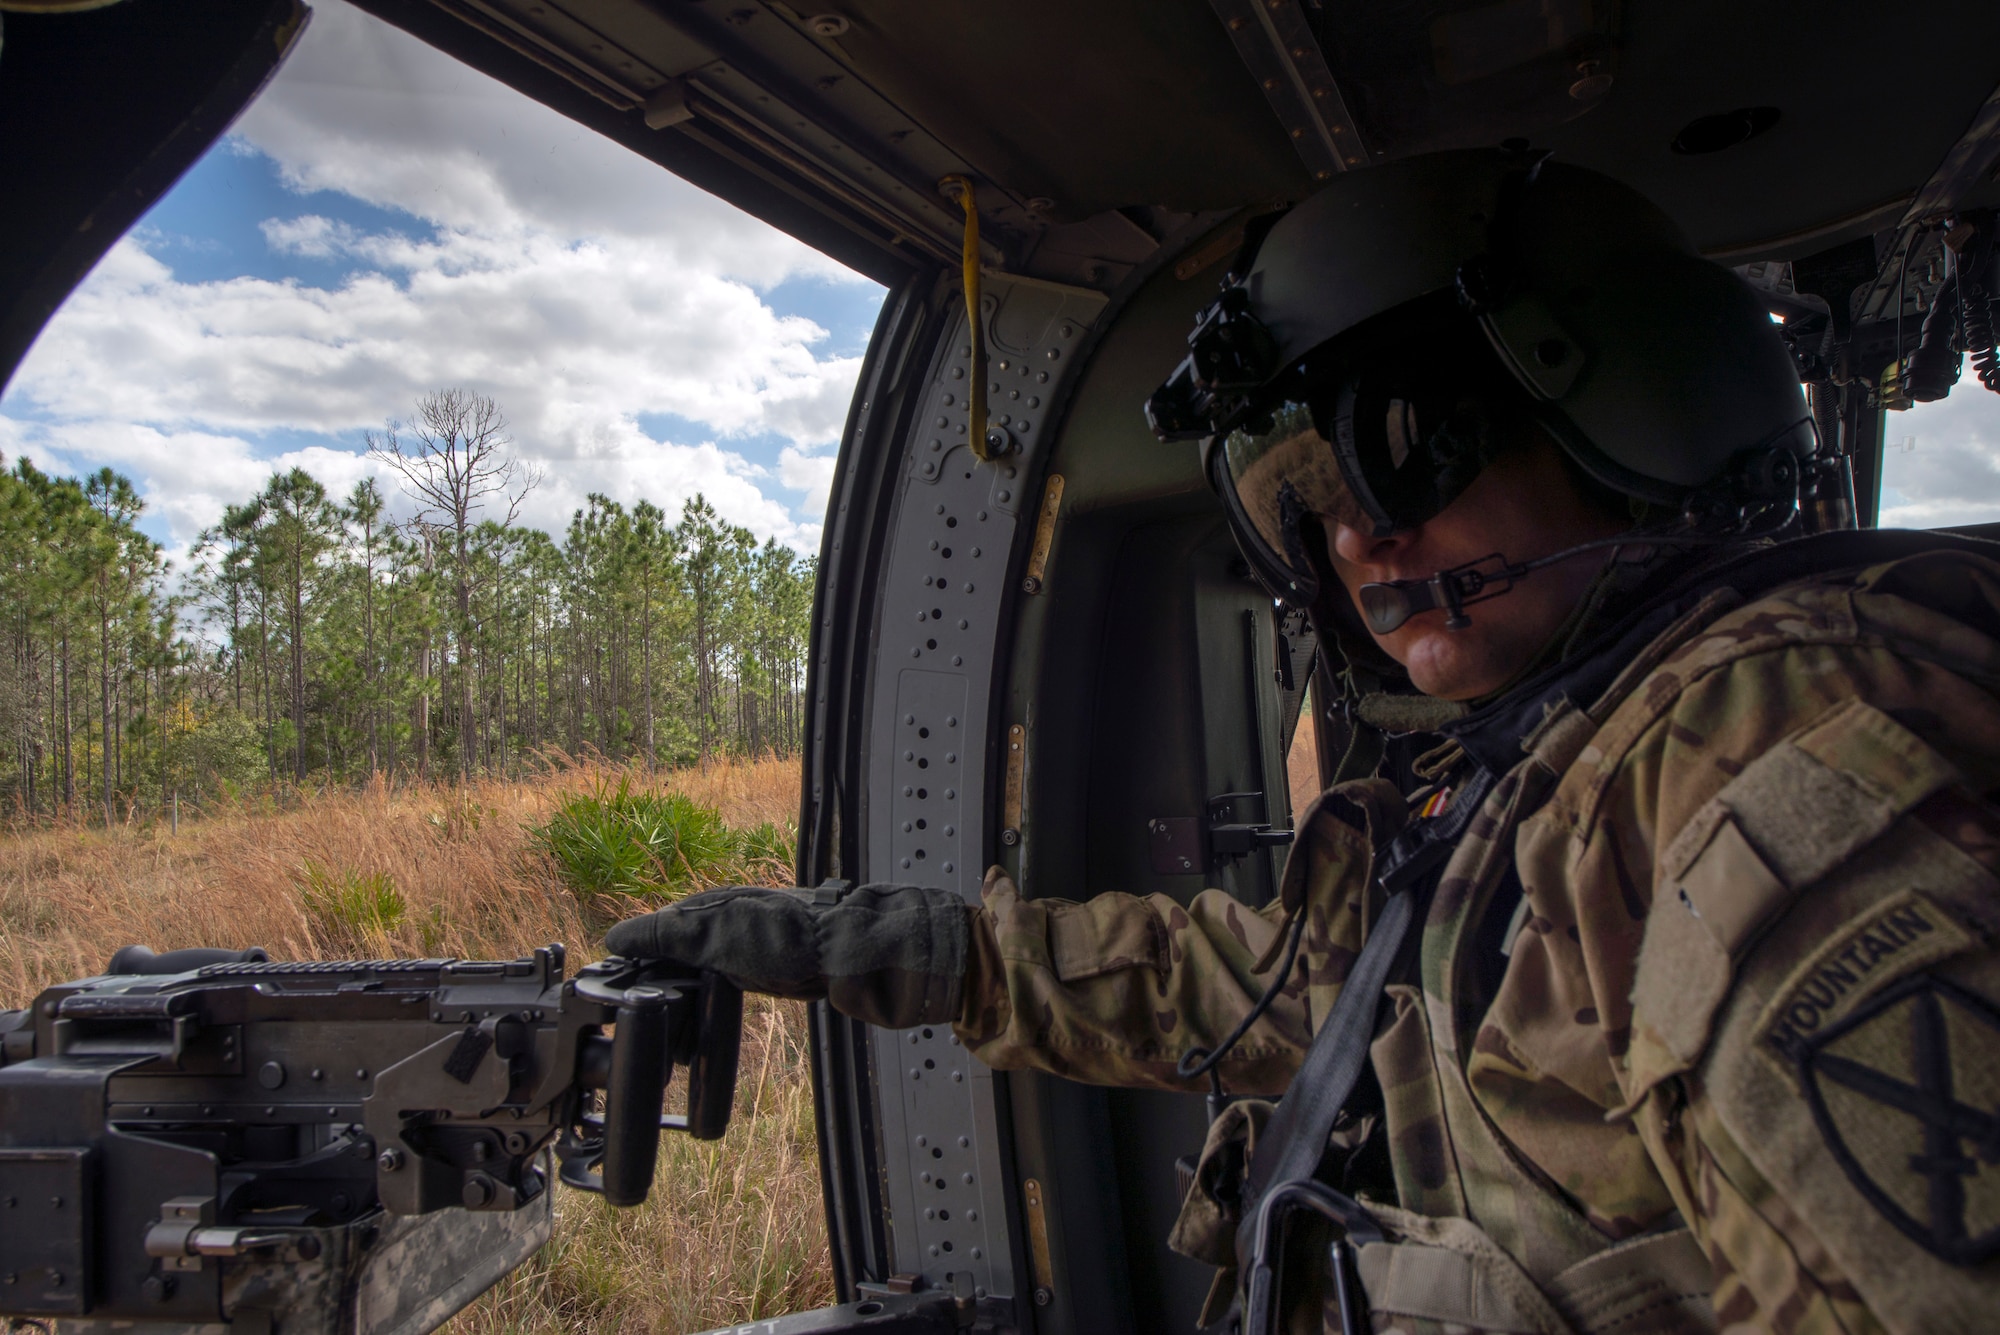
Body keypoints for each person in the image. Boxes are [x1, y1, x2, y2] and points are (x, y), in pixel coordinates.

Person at [606, 149, 2000, 1333]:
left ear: (1627, 400)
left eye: (1405, 447)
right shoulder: (1573, 758)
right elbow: (1285, 988)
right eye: (1308, 501)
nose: (1362, 541)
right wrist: (897, 947)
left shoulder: (1762, 758)